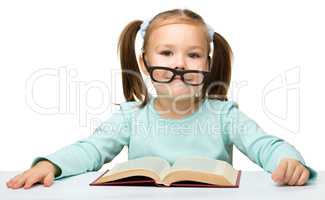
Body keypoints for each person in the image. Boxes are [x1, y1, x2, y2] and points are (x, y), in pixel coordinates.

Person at [7, 8, 317, 189]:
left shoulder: (225, 115)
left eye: (193, 55)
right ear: (144, 63)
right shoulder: (131, 116)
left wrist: (288, 161)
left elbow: (265, 145)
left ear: (208, 66)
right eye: (167, 53)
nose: (179, 63)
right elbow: (91, 149)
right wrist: (53, 164)